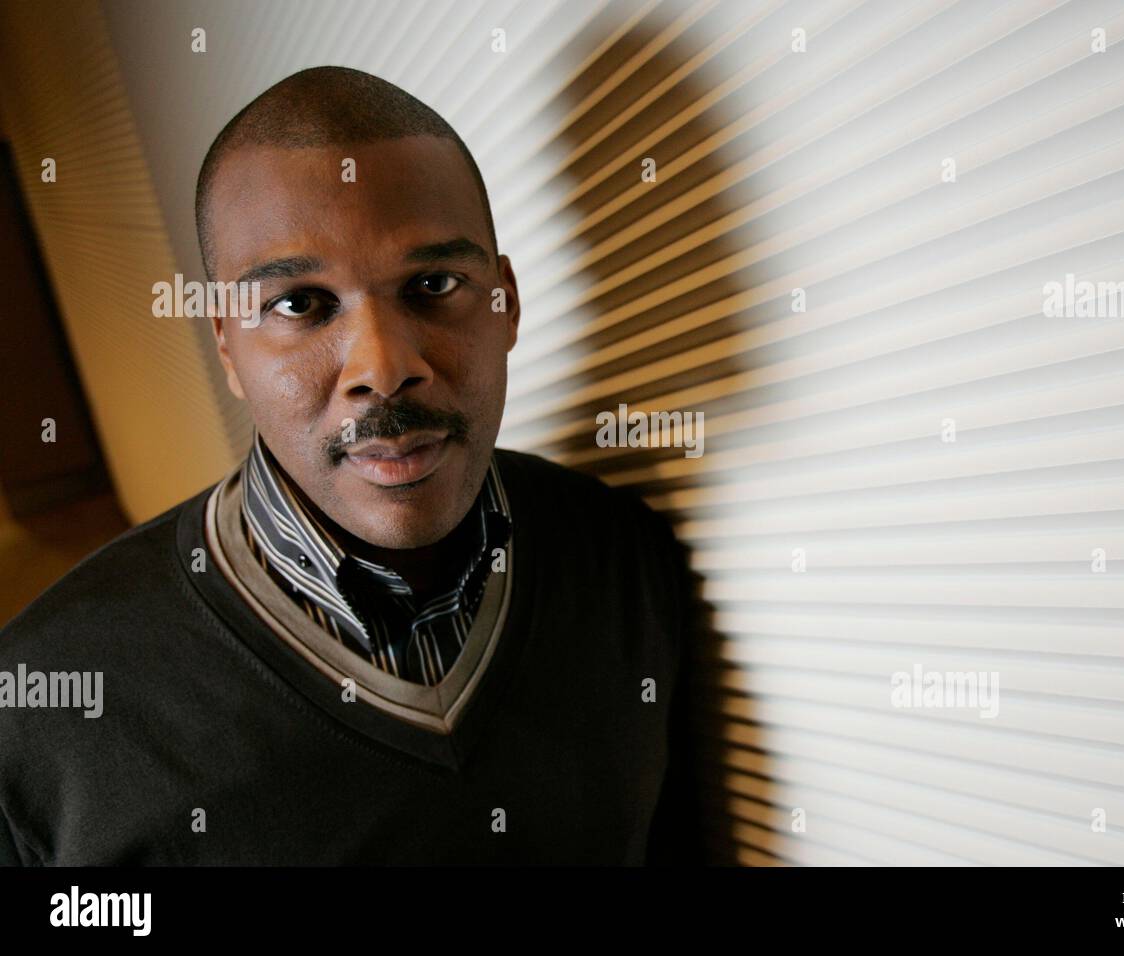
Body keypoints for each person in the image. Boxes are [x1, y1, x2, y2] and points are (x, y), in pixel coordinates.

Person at [0, 66, 704, 865]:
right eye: (300, 304)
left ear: (506, 302)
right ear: (227, 348)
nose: (382, 365)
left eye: (434, 284)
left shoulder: (623, 562)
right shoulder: (39, 712)